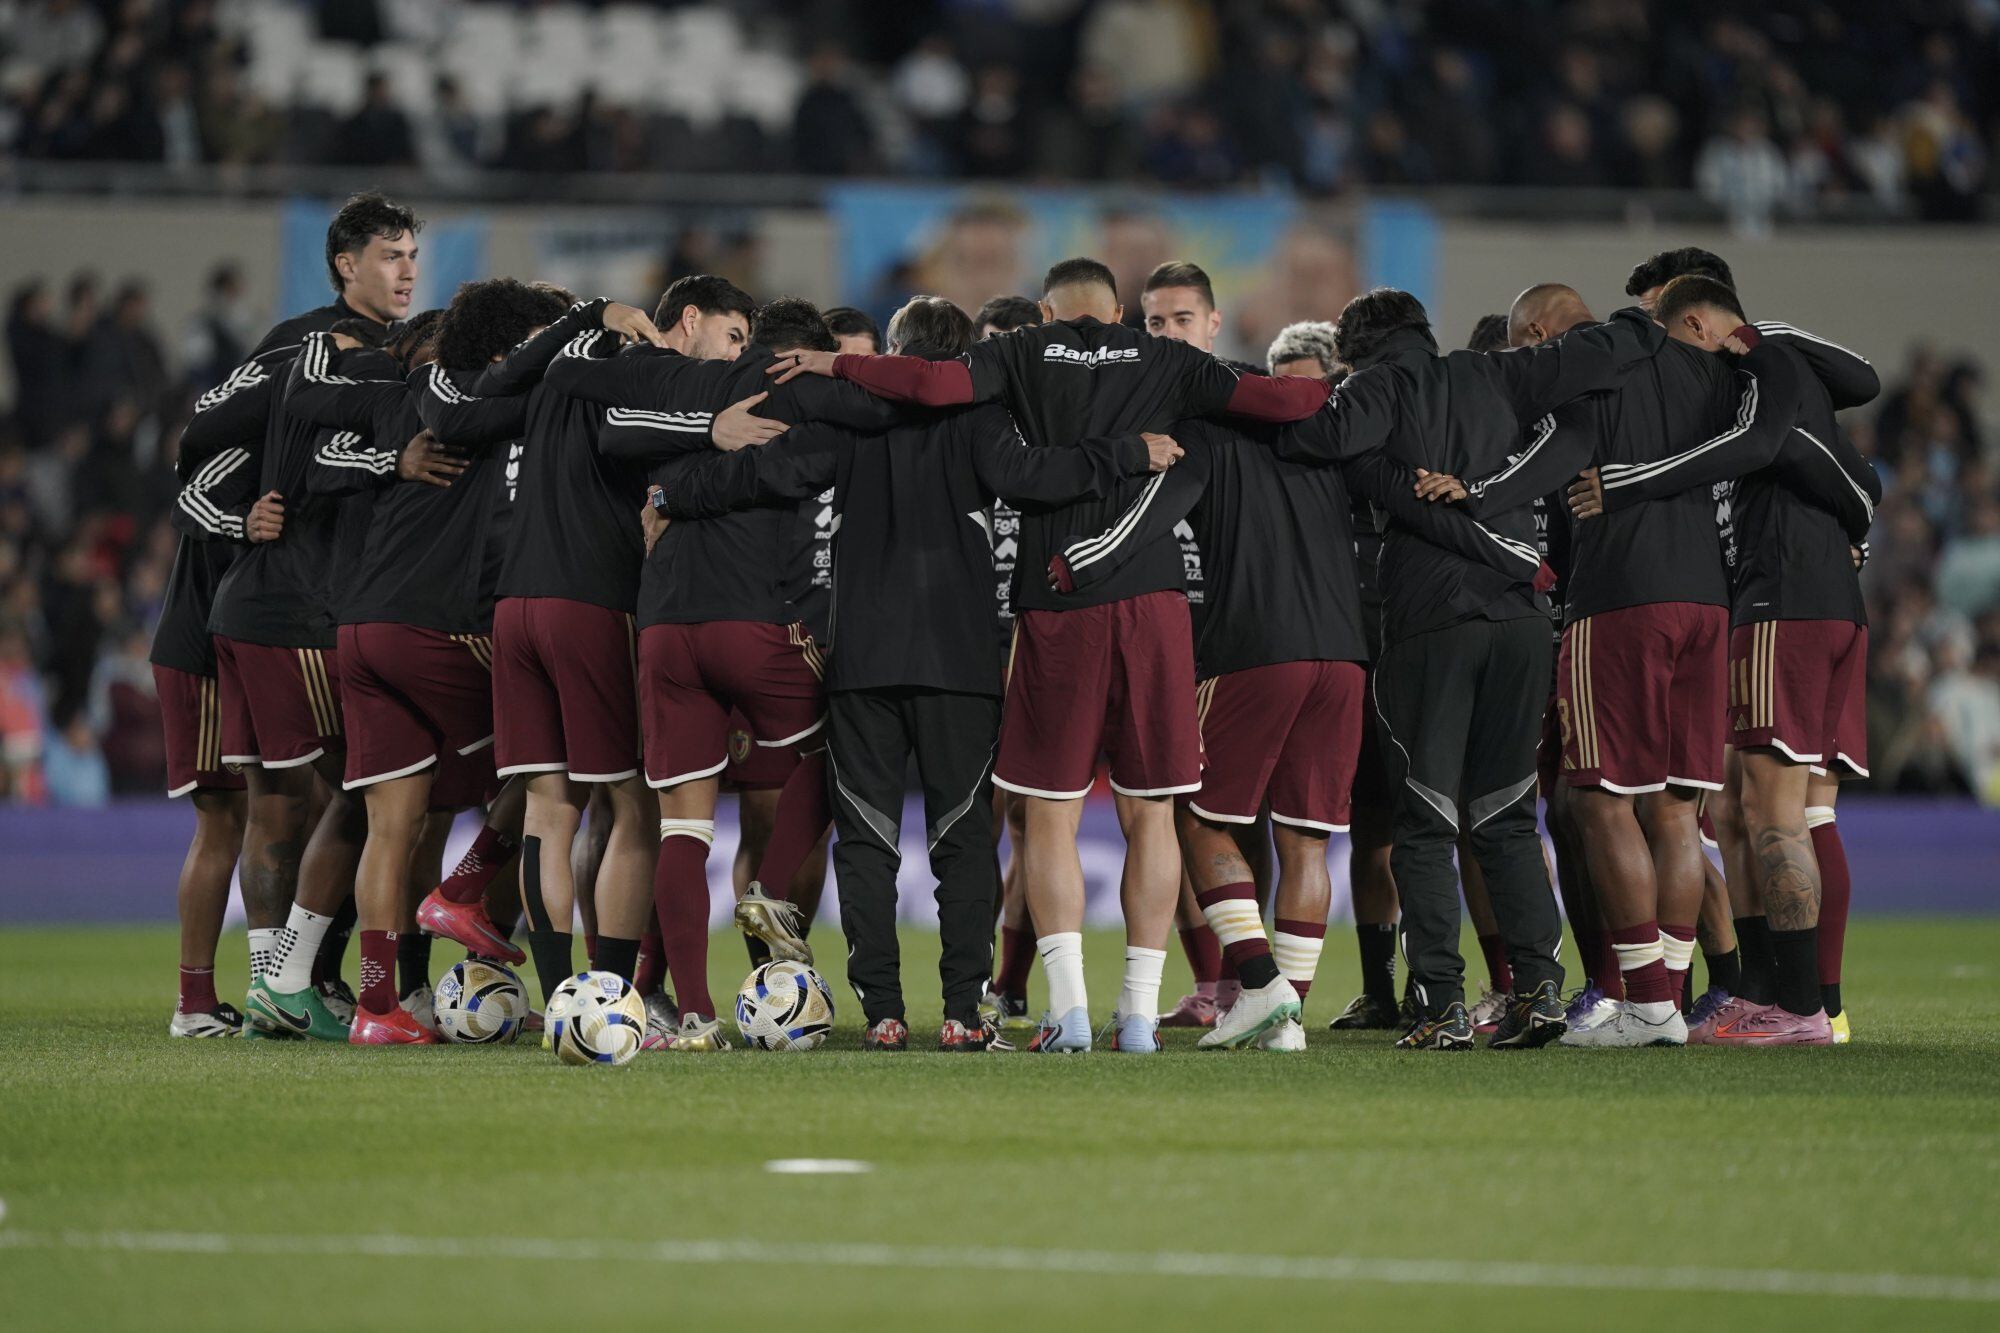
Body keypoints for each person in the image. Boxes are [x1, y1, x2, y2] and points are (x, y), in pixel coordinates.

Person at [768, 257, 1332, 1053]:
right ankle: (1133, 1014)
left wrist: (835, 363)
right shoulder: (1171, 360)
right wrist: (1361, 390)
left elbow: (929, 388)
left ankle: (1056, 1009)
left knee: (1044, 816)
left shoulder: (1018, 354)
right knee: (1148, 815)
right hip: (1149, 604)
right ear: (1121, 311)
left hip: (1047, 603)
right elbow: (1283, 400)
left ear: (1044, 310)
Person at [656, 295, 1174, 1049]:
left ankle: (885, 1014)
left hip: (863, 663)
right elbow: (1033, 476)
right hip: (960, 665)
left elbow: (768, 473)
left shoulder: (853, 418)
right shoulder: (982, 417)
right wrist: (1127, 452)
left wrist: (671, 493)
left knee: (866, 843)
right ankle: (964, 1011)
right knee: (962, 841)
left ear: (894, 354)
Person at [1268, 286, 1667, 1049]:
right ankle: (1539, 991)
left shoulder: (1376, 387)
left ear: (1355, 352)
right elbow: (1610, 354)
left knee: (1424, 823)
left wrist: (1366, 456)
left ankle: (1440, 1004)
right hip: (1520, 622)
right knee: (1508, 817)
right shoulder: (1497, 373)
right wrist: (1643, 320)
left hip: (1430, 622)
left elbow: (1320, 438)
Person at [548, 291, 902, 1051]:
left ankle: (696, 1014)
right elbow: (836, 444)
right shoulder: (803, 387)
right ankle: (768, 890)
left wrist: (669, 490)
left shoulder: (681, 382)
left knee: (682, 827)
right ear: (802, 354)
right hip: (753, 620)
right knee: (843, 745)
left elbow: (589, 399)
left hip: (665, 628)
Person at [1414, 282, 1751, 1046]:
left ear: (1536, 333)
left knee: (1598, 802)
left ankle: (1647, 1001)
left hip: (1622, 598)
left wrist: (1478, 493)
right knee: (1675, 810)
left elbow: (1561, 452)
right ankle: (1672, 996)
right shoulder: (1706, 368)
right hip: (1710, 602)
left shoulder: (1586, 365)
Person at [1567, 276, 1879, 1045]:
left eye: (1663, 325)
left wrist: (1627, 483)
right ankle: (1770, 994)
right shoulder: (1743, 384)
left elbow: (1780, 441)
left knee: (1778, 809)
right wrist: (1857, 520)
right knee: (1743, 807)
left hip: (1786, 601)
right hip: (1783, 602)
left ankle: (1807, 1005)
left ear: (1701, 321)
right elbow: (1856, 474)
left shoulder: (1761, 365)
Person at [459, 279, 752, 1029]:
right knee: (635, 805)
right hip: (592, 600)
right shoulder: (646, 371)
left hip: (516, 602)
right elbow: (625, 431)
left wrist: (586, 314)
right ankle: (615, 1000)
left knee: (549, 809)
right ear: (689, 319)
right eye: (732, 336)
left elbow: (494, 388)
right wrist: (712, 428)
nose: (733, 356)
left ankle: (562, 1000)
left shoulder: (563, 364)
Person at [180, 192, 422, 1035]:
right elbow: (204, 431)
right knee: (352, 792)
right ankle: (286, 980)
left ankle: (280, 985)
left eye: (412, 255)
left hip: (303, 606)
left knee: (292, 802)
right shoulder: (307, 346)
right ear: (345, 265)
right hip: (296, 606)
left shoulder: (386, 350)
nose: (407, 270)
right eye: (390, 255)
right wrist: (242, 510)